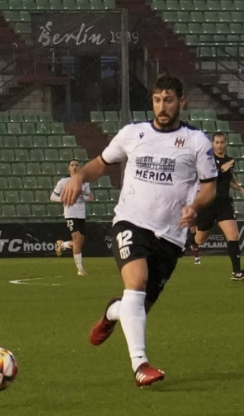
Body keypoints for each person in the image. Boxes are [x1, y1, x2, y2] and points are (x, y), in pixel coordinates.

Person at [61, 75, 217, 387]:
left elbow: (209, 188)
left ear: (181, 102)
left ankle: (113, 313)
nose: (163, 106)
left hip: (171, 237)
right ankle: (140, 365)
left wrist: (194, 206)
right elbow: (101, 163)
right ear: (152, 102)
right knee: (137, 280)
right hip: (130, 222)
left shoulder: (197, 141)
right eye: (158, 99)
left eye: (169, 100)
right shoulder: (134, 133)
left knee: (138, 306)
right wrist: (79, 177)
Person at [189, 132, 244, 278]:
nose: (219, 145)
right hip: (208, 204)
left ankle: (237, 272)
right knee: (200, 240)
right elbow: (205, 177)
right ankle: (189, 240)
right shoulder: (207, 160)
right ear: (212, 144)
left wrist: (238, 188)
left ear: (226, 143)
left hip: (223, 204)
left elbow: (228, 178)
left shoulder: (230, 160)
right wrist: (221, 169)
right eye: (217, 142)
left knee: (233, 235)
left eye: (222, 142)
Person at [51, 158, 93, 275]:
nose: (74, 167)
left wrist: (88, 198)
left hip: (81, 213)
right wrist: (64, 199)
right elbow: (52, 197)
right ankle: (80, 269)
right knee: (77, 239)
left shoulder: (85, 182)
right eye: (72, 165)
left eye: (76, 165)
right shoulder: (63, 182)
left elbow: (86, 196)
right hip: (70, 213)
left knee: (79, 242)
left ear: (79, 168)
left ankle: (62, 244)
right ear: (69, 168)